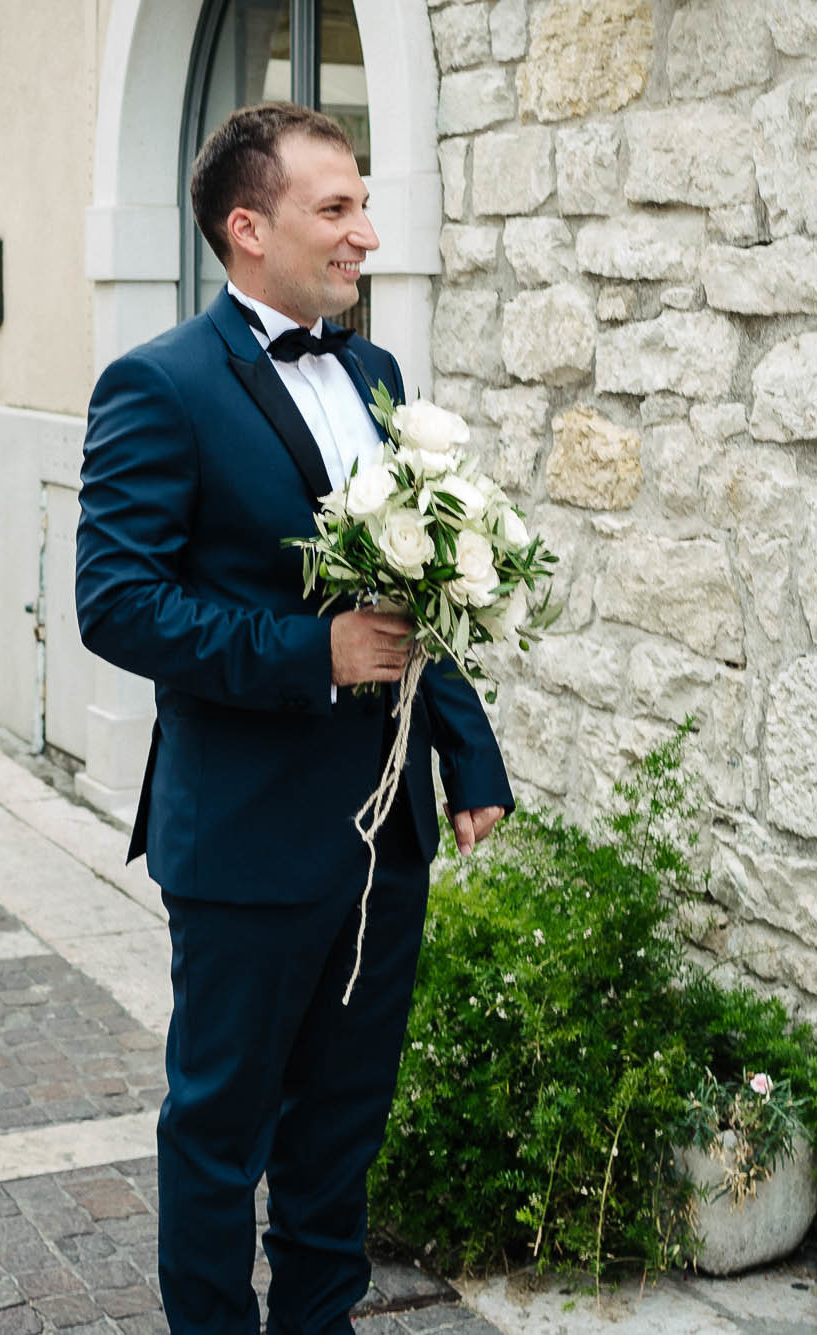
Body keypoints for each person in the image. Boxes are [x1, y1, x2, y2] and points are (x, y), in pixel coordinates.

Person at [75, 104, 513, 1335]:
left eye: (366, 205)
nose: (365, 233)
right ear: (246, 227)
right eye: (338, 209)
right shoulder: (157, 385)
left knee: (340, 1132)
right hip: (247, 839)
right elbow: (116, 605)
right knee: (220, 1136)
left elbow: (415, 594)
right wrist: (307, 651)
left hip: (384, 839)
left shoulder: (374, 376)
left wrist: (466, 756)